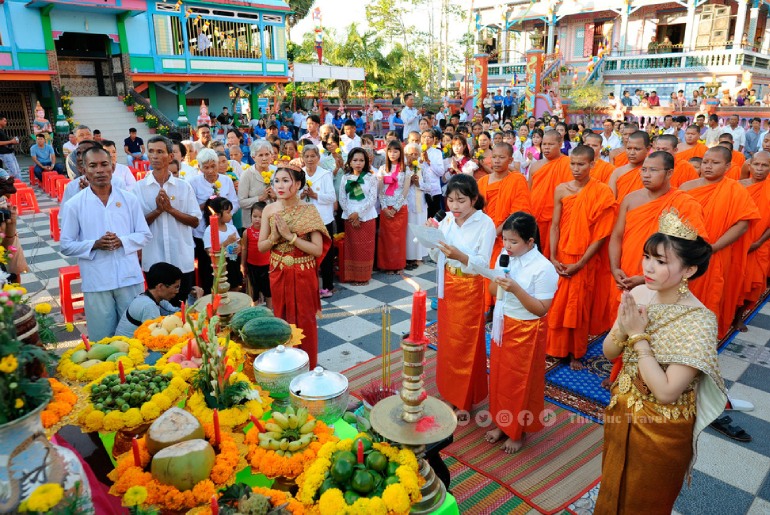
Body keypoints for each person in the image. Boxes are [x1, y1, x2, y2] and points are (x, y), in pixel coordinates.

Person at [596, 211, 726, 514]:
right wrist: (622, 327)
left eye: (661, 261)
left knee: (644, 502)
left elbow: (667, 391)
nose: (648, 268)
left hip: (661, 427)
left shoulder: (699, 321)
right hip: (622, 408)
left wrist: (638, 335)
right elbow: (609, 352)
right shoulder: (641, 292)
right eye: (647, 257)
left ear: (689, 270)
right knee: (612, 485)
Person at [60, 146, 152, 341]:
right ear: (83, 169)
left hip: (129, 278)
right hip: (96, 281)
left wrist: (122, 241)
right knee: (103, 340)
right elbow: (66, 244)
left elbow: (144, 234)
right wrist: (94, 244)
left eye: (104, 164)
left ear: (112, 167)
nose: (99, 170)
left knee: (136, 335)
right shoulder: (74, 204)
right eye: (93, 165)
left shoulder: (129, 199)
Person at [486, 211, 558, 453]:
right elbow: (493, 292)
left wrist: (515, 288)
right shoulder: (504, 257)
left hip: (527, 329)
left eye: (513, 241)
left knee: (520, 382)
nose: (507, 246)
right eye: (505, 239)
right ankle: (500, 422)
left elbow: (540, 309)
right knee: (499, 377)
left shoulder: (543, 268)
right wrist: (498, 278)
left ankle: (517, 431)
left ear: (530, 242)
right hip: (503, 324)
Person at [430, 174, 495, 417]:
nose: (454, 207)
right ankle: (449, 393)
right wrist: (432, 240)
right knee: (448, 343)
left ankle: (464, 398)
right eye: (450, 200)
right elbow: (438, 257)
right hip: (448, 284)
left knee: (465, 344)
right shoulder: (446, 220)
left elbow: (483, 264)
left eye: (461, 201)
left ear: (474, 199)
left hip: (469, 287)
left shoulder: (484, 224)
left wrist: (460, 255)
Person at [547, 145, 616, 369]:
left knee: (579, 305)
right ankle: (555, 348)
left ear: (592, 165)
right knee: (558, 302)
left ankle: (576, 352)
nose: (576, 169)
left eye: (581, 164)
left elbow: (601, 235)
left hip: (585, 258)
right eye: (573, 164)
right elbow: (555, 225)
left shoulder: (602, 191)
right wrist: (553, 256)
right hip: (562, 254)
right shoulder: (561, 189)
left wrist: (581, 262)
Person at [679, 146, 760, 338]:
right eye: (706, 162)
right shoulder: (686, 187)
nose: (708, 166)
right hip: (685, 252)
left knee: (711, 293)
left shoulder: (735, 190)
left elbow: (742, 225)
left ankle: (701, 338)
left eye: (715, 163)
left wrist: (714, 247)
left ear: (728, 166)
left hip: (716, 251)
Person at [257, 164, 330, 368]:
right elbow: (262, 246)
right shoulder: (269, 210)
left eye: (286, 181)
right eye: (277, 181)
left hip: (303, 272)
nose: (280, 186)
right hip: (278, 271)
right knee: (281, 317)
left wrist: (290, 237)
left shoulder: (309, 211)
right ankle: (284, 368)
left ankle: (308, 367)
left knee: (305, 320)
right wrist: (274, 237)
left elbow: (316, 249)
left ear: (298, 184)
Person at [136, 136, 201, 305]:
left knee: (182, 308)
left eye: (160, 152)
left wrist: (171, 210)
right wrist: (158, 211)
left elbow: (195, 221)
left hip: (181, 257)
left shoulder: (183, 187)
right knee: (157, 312)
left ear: (171, 156)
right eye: (151, 152)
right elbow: (136, 225)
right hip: (154, 259)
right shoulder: (139, 188)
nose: (155, 156)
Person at [477, 143, 532, 313]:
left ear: (510, 160)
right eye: (494, 157)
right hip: (484, 235)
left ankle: (498, 307)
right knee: (482, 269)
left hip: (506, 238)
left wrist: (496, 232)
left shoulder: (516, 180)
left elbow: (518, 213)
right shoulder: (483, 181)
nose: (497, 161)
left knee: (501, 271)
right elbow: (476, 210)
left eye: (502, 157)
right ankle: (487, 306)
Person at [189, 148, 239, 293]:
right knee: (208, 268)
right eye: (206, 167)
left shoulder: (226, 180)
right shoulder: (193, 182)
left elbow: (234, 203)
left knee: (229, 267)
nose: (210, 171)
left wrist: (223, 210)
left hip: (225, 230)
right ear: (199, 167)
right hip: (203, 231)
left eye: (213, 166)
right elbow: (192, 208)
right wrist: (207, 205)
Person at [114, 262, 196, 337]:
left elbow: (177, 313)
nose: (177, 291)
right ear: (160, 286)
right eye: (176, 287)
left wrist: (192, 297)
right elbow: (158, 337)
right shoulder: (148, 306)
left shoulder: (157, 298)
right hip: (128, 349)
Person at [737, 151, 770, 327]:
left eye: (764, 165)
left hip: (759, 242)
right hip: (736, 241)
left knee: (750, 283)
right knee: (732, 279)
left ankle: (738, 318)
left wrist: (758, 242)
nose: (759, 169)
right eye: (756, 164)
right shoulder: (739, 186)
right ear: (750, 166)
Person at [528, 130, 573, 259]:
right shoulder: (536, 166)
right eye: (544, 144)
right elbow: (529, 191)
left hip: (557, 218)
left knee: (554, 254)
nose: (546, 147)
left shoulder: (568, 164)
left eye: (550, 144)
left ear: (560, 144)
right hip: (535, 217)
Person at [300, 144, 336, 297]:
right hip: (306, 219)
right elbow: (295, 195)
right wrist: (301, 195)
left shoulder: (325, 174)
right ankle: (310, 285)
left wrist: (315, 195)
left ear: (318, 158)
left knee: (326, 253)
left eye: (312, 156)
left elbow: (332, 197)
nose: (309, 159)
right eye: (306, 156)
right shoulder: (299, 174)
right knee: (307, 254)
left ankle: (328, 286)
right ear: (302, 158)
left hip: (323, 219)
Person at [338, 148, 378, 285]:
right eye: (355, 160)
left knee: (365, 247)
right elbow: (342, 199)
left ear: (366, 162)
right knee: (352, 247)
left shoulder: (370, 177)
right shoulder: (345, 178)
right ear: (349, 162)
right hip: (349, 217)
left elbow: (372, 199)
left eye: (361, 160)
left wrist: (358, 214)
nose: (358, 163)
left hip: (366, 217)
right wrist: (351, 215)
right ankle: (352, 276)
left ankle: (364, 277)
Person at [377, 140, 410, 274]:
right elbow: (380, 190)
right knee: (386, 238)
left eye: (395, 151)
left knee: (399, 238)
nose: (392, 154)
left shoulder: (405, 169)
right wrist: (385, 207)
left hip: (400, 207)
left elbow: (405, 190)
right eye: (390, 151)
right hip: (386, 207)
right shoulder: (382, 169)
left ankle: (399, 264)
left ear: (400, 153)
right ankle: (387, 265)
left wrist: (396, 207)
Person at [203, 196, 243, 290]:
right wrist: (226, 242)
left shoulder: (231, 227)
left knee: (235, 287)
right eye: (228, 212)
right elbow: (210, 252)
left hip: (233, 263)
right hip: (220, 266)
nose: (231, 215)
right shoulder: (210, 231)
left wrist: (239, 247)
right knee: (222, 289)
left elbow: (239, 242)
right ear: (217, 214)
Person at [403, 143, 429, 269]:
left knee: (418, 228)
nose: (412, 157)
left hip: (420, 204)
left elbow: (431, 186)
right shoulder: (403, 168)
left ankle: (418, 257)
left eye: (415, 154)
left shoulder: (423, 167)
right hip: (406, 204)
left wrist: (419, 184)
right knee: (407, 231)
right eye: (410, 154)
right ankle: (407, 257)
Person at [241, 202, 272, 307]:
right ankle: (254, 312)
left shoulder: (269, 232)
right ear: (250, 216)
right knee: (253, 292)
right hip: (252, 266)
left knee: (268, 291)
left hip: (267, 266)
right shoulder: (246, 232)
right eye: (254, 216)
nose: (257, 219)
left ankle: (269, 313)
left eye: (261, 217)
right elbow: (244, 249)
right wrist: (243, 264)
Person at [609, 131, 651, 202]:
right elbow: (611, 200)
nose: (632, 153)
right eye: (629, 148)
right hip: (622, 212)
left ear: (648, 149)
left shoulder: (653, 172)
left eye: (637, 149)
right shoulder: (617, 172)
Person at [420, 129, 446, 218]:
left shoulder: (437, 152)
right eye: (424, 137)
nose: (426, 139)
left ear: (433, 140)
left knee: (433, 217)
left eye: (429, 137)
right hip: (419, 189)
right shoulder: (416, 151)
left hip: (433, 189)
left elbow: (441, 172)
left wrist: (428, 161)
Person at [0, 114, 21, 180]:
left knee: (17, 171)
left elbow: (6, 142)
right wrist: (11, 141)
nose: (6, 122)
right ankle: (5, 181)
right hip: (4, 154)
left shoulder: (2, 131)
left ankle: (20, 185)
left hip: (9, 152)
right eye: (4, 121)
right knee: (13, 171)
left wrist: (13, 141)